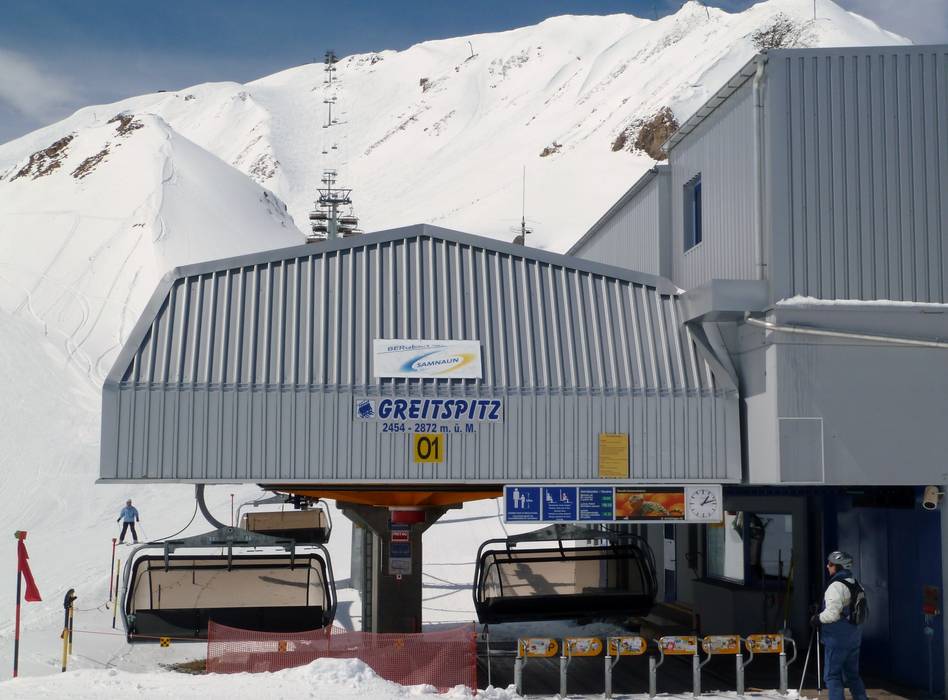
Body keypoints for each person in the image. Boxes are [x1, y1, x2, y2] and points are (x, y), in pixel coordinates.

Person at [810, 551, 868, 700]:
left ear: (838, 567)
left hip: (837, 639)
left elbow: (832, 614)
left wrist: (817, 618)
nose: (827, 566)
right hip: (854, 638)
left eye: (830, 564)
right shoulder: (856, 584)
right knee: (852, 675)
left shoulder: (836, 586)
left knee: (832, 676)